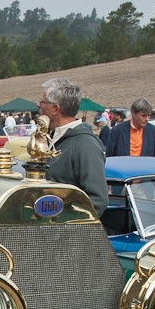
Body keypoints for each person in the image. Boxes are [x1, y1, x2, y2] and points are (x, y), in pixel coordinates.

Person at [38, 78, 108, 216]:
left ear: (55, 109)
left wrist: (60, 220)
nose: (38, 105)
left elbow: (97, 200)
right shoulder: (52, 137)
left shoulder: (85, 145)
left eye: (42, 102)